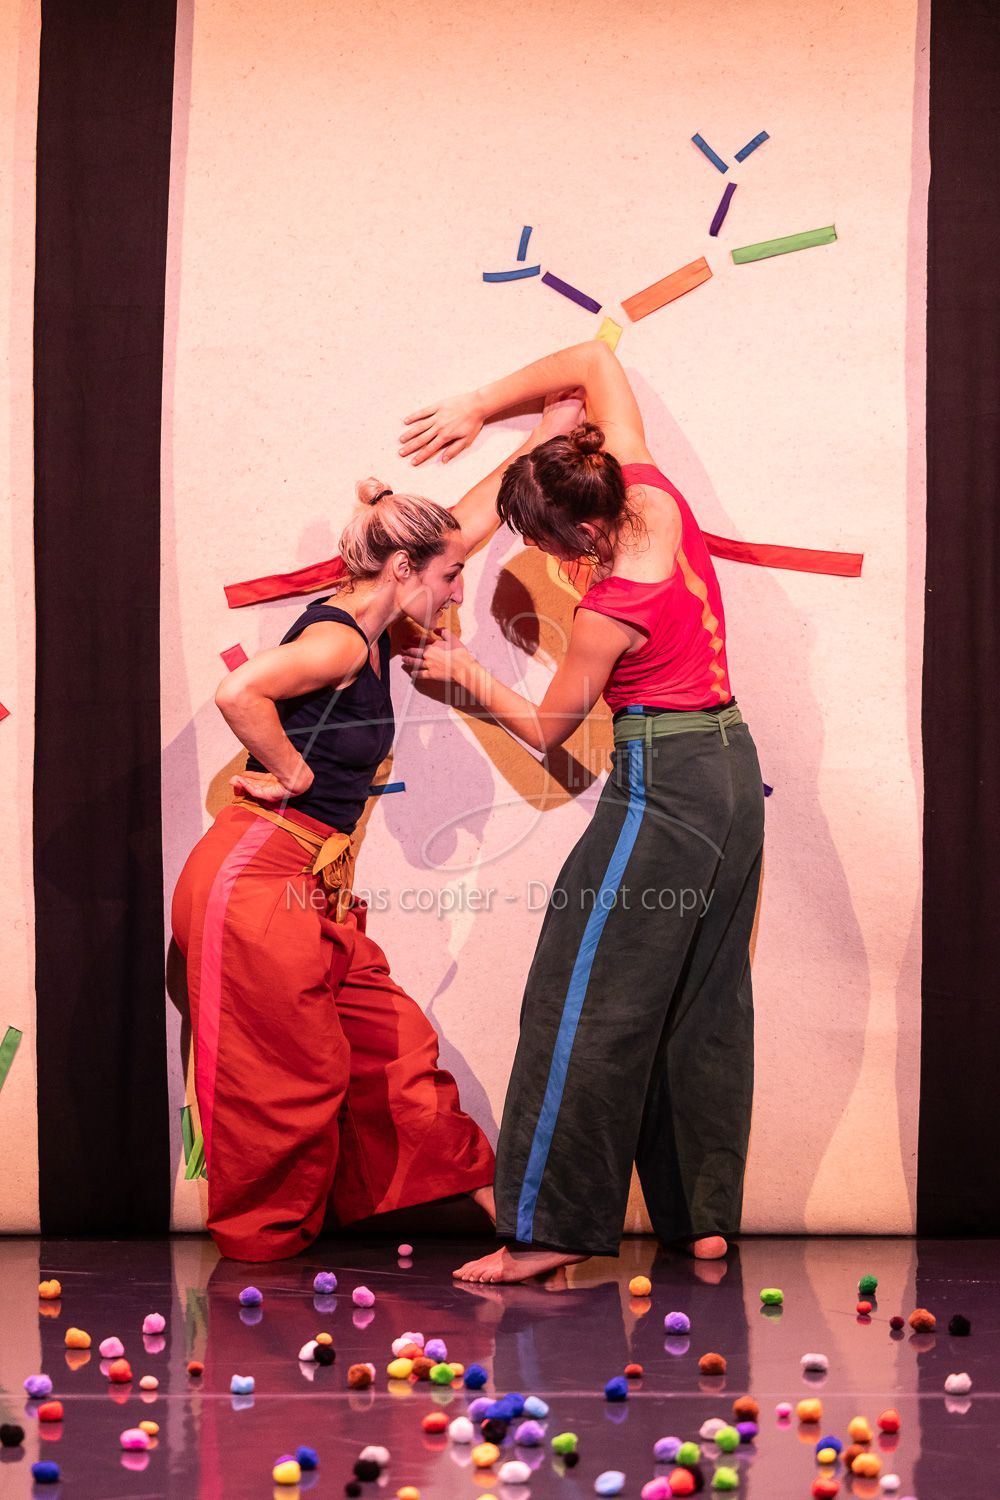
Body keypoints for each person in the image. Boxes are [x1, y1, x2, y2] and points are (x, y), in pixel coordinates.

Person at [398, 339, 765, 1282]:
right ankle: (701, 1219)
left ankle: (552, 1228)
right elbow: (598, 359)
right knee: (699, 997)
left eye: (547, 543)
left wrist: (464, 676)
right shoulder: (647, 485)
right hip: (731, 768)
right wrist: (482, 402)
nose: (545, 558)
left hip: (667, 781)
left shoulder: (610, 606)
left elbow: (551, 729)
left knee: (580, 997)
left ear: (583, 530)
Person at [171, 480, 508, 1262]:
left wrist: (541, 428)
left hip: (308, 888)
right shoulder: (345, 642)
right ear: (402, 567)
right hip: (255, 880)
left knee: (392, 1046)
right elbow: (238, 690)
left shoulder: (377, 619)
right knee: (291, 1083)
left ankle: (507, 1216)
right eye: (451, 576)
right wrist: (292, 771)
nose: (458, 592)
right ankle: (263, 1274)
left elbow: (462, 525)